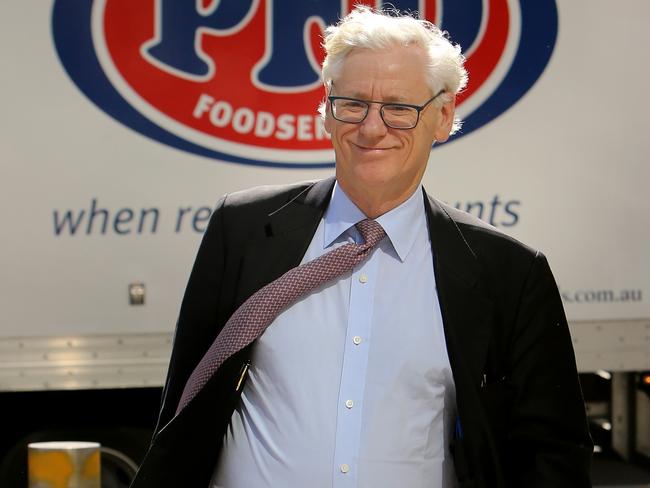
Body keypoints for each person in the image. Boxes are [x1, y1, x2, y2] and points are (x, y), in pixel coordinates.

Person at [131, 6, 592, 488]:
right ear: (327, 110)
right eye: (353, 104)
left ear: (443, 115)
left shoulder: (507, 274)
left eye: (399, 108)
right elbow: (184, 406)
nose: (373, 129)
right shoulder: (243, 231)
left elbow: (553, 454)